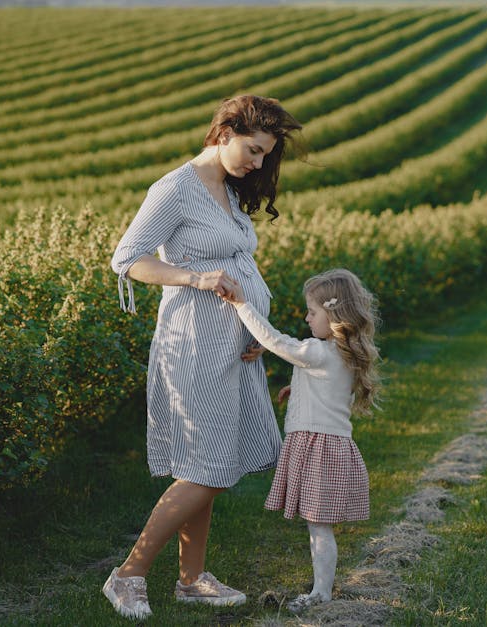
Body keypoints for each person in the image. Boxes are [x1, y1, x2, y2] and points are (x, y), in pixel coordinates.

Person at [103, 95, 304, 620]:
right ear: (225, 132)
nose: (258, 164)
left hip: (232, 348)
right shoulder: (175, 189)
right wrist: (194, 277)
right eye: (253, 151)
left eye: (265, 156)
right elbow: (128, 258)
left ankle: (192, 579)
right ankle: (128, 575)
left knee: (210, 461)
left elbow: (238, 265)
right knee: (208, 470)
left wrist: (257, 329)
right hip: (192, 344)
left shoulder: (230, 191)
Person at [218, 268, 381, 615]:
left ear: (334, 315)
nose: (306, 318)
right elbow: (331, 390)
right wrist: (302, 389)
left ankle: (322, 593)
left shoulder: (318, 352)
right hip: (330, 447)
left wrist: (243, 305)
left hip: (318, 450)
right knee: (317, 524)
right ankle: (321, 588)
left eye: (312, 312)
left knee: (319, 526)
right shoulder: (344, 353)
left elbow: (279, 342)